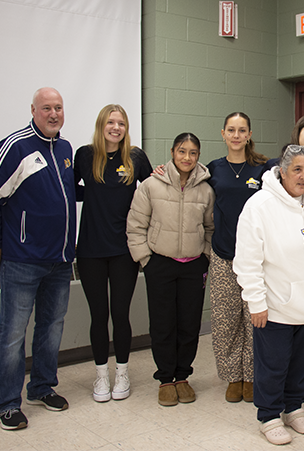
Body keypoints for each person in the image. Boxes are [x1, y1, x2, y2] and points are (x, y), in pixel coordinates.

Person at [0, 87, 75, 430]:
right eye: (46, 108)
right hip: (22, 260)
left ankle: (41, 387)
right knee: (13, 333)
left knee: (51, 328)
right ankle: (5, 402)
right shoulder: (14, 146)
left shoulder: (65, 148)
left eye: (59, 108)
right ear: (33, 110)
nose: (53, 114)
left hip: (60, 260)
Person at [233, 145, 304, 445]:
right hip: (275, 306)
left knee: (302, 362)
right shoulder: (259, 206)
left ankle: (294, 406)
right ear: (281, 172)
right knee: (274, 363)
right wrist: (256, 302)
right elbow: (246, 261)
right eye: (297, 170)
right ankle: (269, 415)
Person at [126, 132, 214, 407]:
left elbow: (211, 227)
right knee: (163, 324)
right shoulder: (152, 185)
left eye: (193, 153)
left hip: (193, 265)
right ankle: (165, 379)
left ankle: (183, 377)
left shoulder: (206, 189)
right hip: (160, 264)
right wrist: (146, 261)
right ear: (173, 153)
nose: (187, 158)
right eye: (182, 151)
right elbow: (136, 226)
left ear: (198, 156)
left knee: (189, 324)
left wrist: (206, 257)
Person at [74, 104, 152, 403]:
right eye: (110, 122)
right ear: (101, 125)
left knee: (120, 314)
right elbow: (69, 189)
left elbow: (152, 189)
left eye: (121, 123)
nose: (116, 127)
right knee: (98, 316)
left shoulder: (135, 157)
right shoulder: (84, 155)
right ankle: (101, 375)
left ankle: (121, 372)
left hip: (123, 251)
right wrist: (95, 193)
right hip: (91, 250)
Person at [207, 112, 269, 404]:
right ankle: (233, 376)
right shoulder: (213, 170)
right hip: (223, 257)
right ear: (222, 133)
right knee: (225, 321)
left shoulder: (262, 169)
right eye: (230, 130)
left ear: (248, 134)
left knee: (254, 320)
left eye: (241, 130)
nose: (235, 135)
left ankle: (252, 375)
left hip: (256, 259)